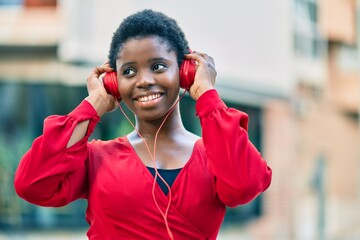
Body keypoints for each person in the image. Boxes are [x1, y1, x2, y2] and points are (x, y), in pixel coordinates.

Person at [14, 9, 272, 240]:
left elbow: (245, 186)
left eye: (158, 66)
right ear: (114, 83)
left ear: (184, 72)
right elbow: (32, 184)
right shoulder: (96, 158)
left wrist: (206, 91)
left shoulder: (215, 156)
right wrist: (94, 103)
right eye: (128, 72)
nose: (144, 80)